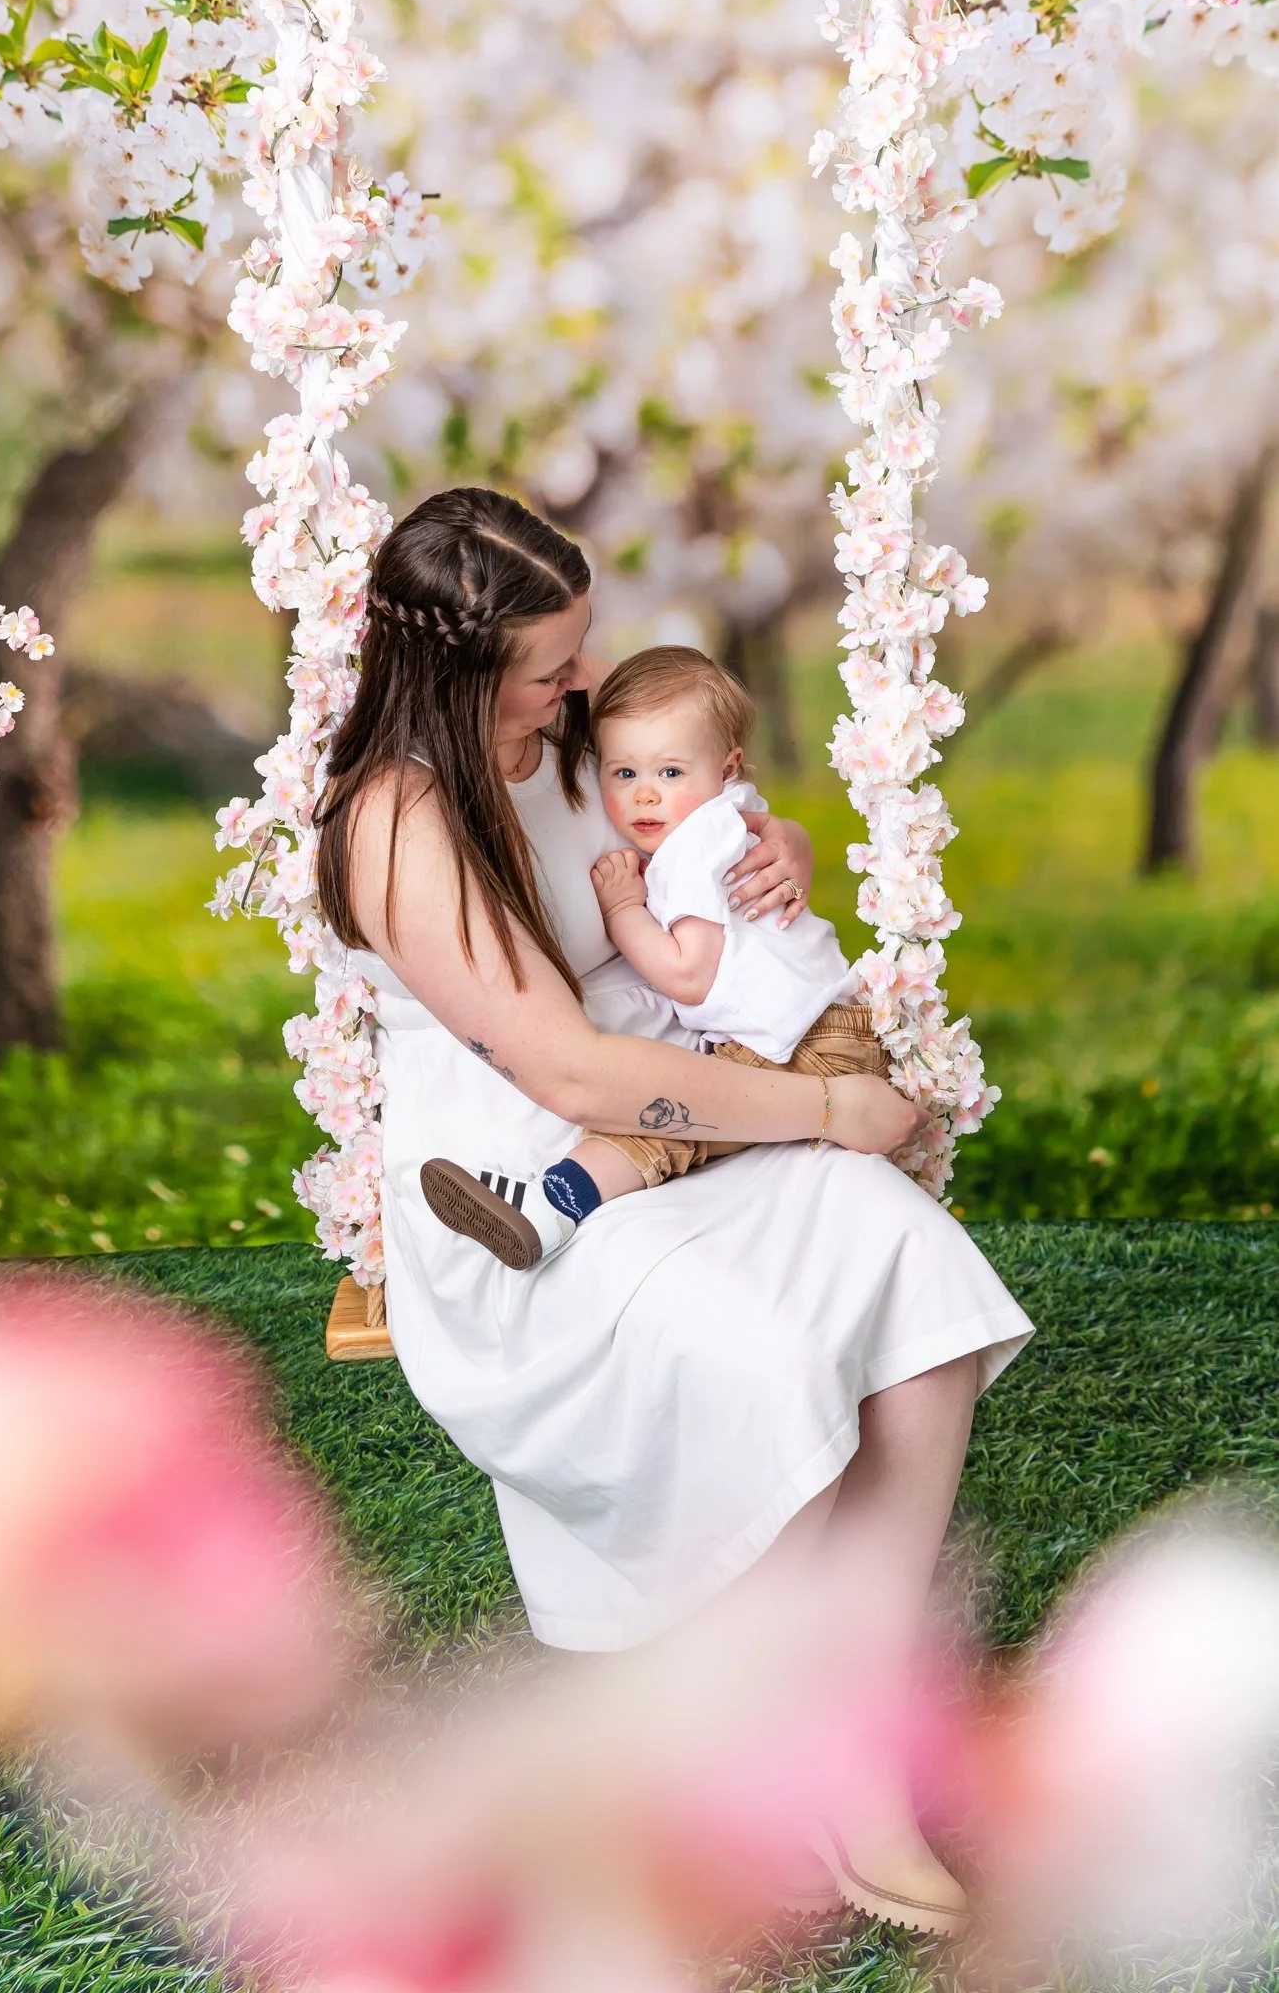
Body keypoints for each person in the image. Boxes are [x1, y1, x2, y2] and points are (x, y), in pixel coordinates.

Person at [315, 485, 1034, 1935]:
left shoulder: (571, 740)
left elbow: (696, 828)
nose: (579, 686)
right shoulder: (398, 818)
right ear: (460, 672)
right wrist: (830, 1109)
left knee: (921, 1281)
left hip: (685, 1092)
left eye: (576, 654)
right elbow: (571, 1064)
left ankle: (852, 1736)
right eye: (547, 666)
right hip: (527, 1188)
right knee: (759, 1358)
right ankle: (722, 1744)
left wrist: (779, 860)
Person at [421, 644, 892, 1271]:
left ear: (726, 768)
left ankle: (552, 1207)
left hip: (806, 1044)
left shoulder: (697, 848)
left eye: (670, 774)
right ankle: (547, 1200)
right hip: (810, 1028)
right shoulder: (727, 814)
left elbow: (689, 975)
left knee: (664, 1120)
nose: (645, 798)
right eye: (624, 775)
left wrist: (623, 909)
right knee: (674, 1112)